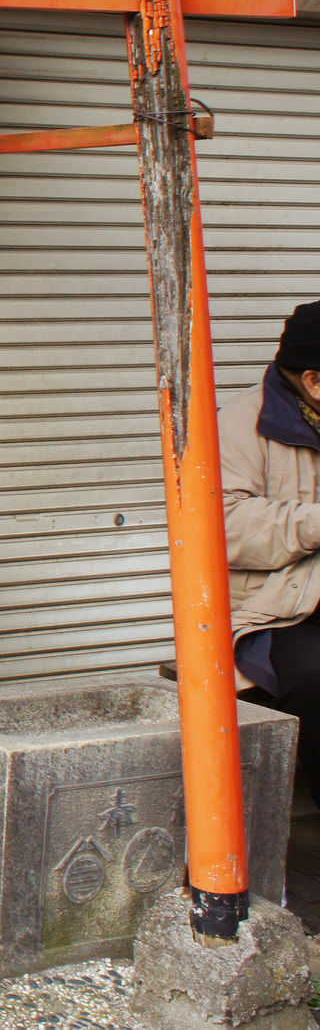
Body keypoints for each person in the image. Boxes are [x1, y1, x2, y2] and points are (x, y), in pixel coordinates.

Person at [225, 301, 320, 799]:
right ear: (314, 382)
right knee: (315, 676)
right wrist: (312, 523)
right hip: (278, 609)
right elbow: (223, 528)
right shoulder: (241, 423)